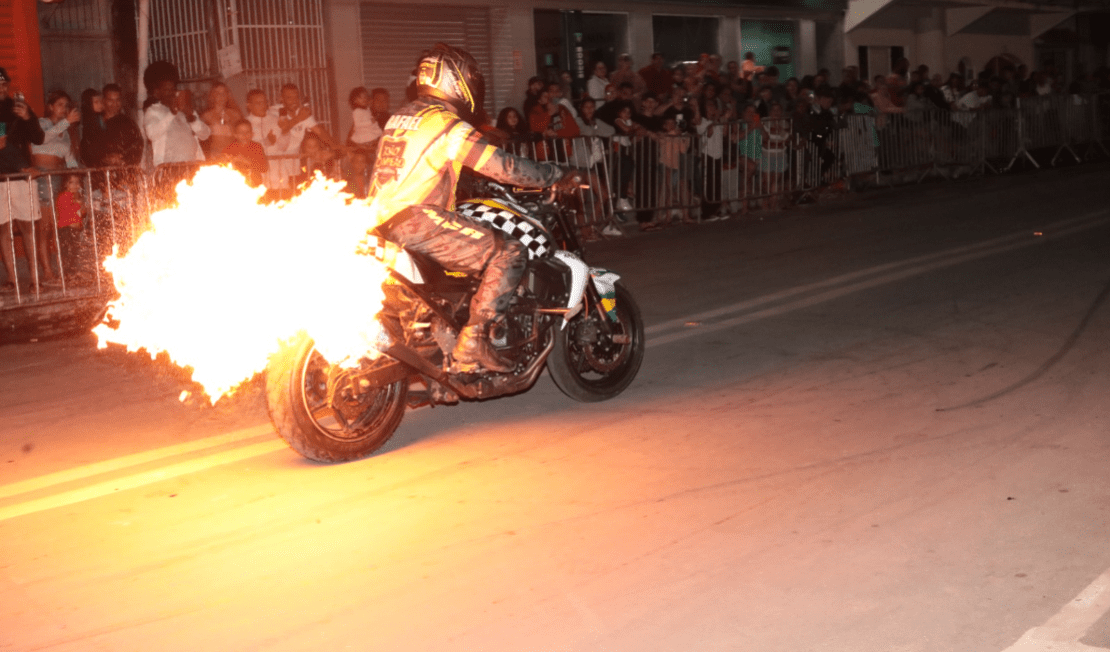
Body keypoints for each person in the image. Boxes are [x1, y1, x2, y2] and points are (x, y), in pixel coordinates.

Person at [366, 42, 573, 373]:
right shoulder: (446, 123)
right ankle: (475, 341)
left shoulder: (399, 118)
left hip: (378, 220)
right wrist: (554, 174)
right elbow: (505, 168)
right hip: (419, 220)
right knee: (508, 252)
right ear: (456, 79)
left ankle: (444, 337)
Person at [0, 67, 47, 291]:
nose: (2, 87)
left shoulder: (19, 107)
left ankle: (35, 280)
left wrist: (28, 117)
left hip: (22, 177)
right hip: (0, 179)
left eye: (4, 83)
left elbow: (38, 138)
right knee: (3, 230)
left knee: (28, 228)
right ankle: (12, 279)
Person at [142, 61, 210, 167]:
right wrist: (172, 113)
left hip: (193, 166)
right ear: (157, 92)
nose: (171, 92)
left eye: (172, 89)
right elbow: (152, 134)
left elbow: (205, 135)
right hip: (168, 168)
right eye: (166, 90)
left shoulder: (185, 109)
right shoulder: (153, 111)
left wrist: (191, 117)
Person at [101, 83, 144, 166]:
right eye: (110, 100)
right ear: (103, 101)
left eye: (117, 100)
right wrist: (105, 158)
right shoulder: (95, 123)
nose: (114, 104)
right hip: (100, 171)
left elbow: (137, 145)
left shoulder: (128, 123)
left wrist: (123, 158)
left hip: (123, 169)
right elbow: (88, 150)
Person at [220, 119, 268, 187]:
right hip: (236, 184)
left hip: (254, 185)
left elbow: (264, 168)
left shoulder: (257, 147)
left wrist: (246, 161)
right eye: (241, 132)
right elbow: (222, 166)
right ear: (235, 135)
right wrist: (230, 161)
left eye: (247, 132)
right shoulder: (229, 148)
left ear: (252, 134)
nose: (244, 135)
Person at [200, 81, 243, 157]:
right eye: (217, 93)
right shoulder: (206, 116)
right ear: (212, 95)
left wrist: (229, 123)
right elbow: (200, 138)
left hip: (233, 154)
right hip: (215, 155)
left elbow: (242, 136)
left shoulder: (236, 114)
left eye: (224, 93)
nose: (221, 96)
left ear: (227, 95)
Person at [347, 86, 382, 153]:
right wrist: (370, 122)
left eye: (365, 97)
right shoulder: (356, 111)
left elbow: (369, 111)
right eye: (361, 97)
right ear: (355, 100)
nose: (364, 99)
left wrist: (373, 122)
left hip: (370, 129)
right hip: (363, 131)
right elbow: (358, 124)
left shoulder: (367, 109)